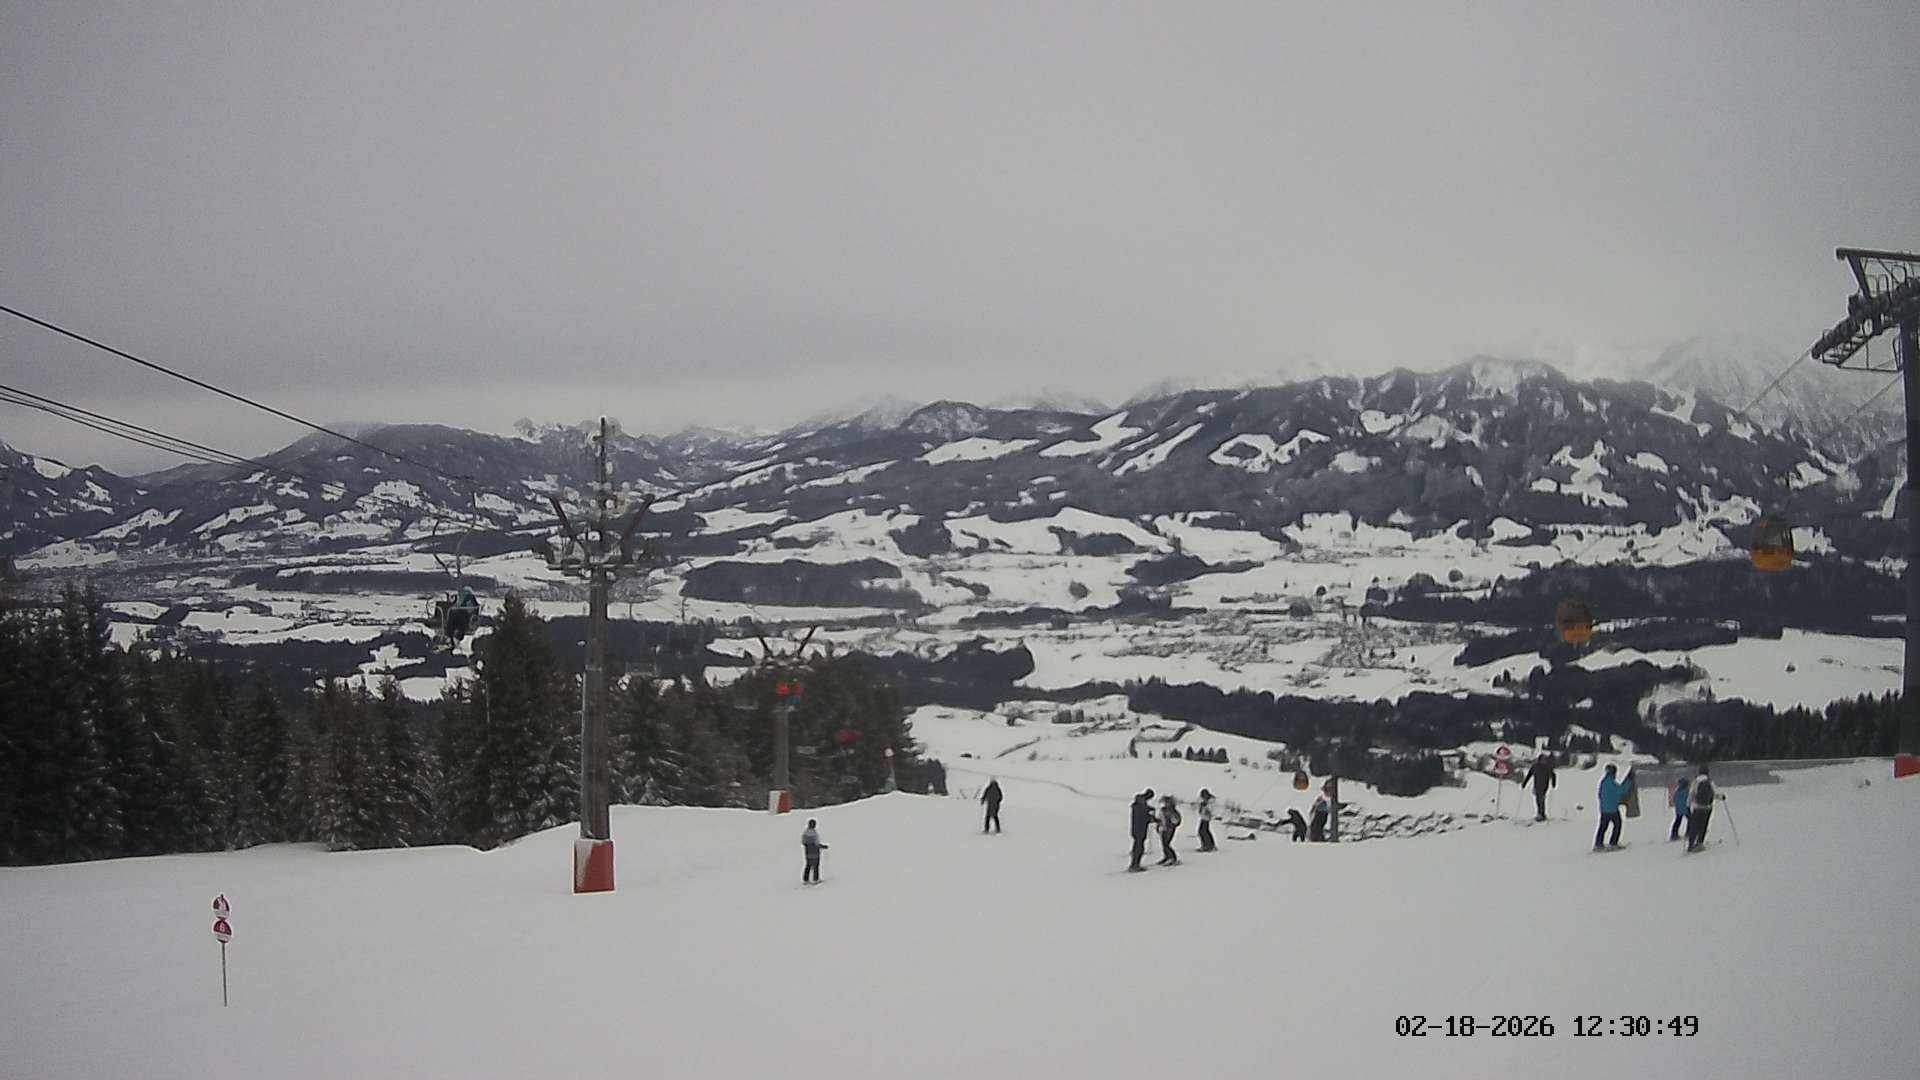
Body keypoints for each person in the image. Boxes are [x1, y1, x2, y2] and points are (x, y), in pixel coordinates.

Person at [1594, 764, 1630, 850]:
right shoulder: (1611, 783)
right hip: (1612, 810)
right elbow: (1621, 790)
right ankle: (1613, 843)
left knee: (1603, 827)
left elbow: (1600, 794)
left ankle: (1598, 844)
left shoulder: (1603, 782)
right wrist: (1629, 782)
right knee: (1617, 825)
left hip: (1604, 809)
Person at [1685, 766, 1716, 852]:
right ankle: (1700, 843)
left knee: (1694, 826)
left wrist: (1688, 806)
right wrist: (1722, 797)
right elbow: (1715, 793)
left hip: (1697, 807)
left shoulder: (1695, 781)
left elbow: (1691, 794)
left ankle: (1691, 845)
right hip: (1708, 807)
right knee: (1704, 825)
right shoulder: (1709, 781)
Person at [1521, 753, 1558, 822]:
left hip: (1544, 786)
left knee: (1541, 800)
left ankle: (1541, 814)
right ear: (1539, 760)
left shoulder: (1547, 767)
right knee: (1538, 800)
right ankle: (1540, 814)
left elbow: (1553, 775)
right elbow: (1529, 775)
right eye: (1542, 760)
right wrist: (1524, 783)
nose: (1544, 761)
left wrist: (1553, 783)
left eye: (1545, 760)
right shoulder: (1535, 767)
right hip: (1536, 786)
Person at [1128, 789, 1156, 871]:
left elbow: (1144, 810)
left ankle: (1134, 863)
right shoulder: (1141, 805)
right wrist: (1153, 819)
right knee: (1139, 848)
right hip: (1140, 829)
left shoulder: (1138, 803)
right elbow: (1144, 816)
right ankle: (1135, 865)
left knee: (1137, 845)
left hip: (1135, 828)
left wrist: (1149, 809)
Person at [1157, 795, 1183, 865]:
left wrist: (1172, 824)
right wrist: (1158, 825)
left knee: (1167, 843)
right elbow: (1160, 818)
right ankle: (1166, 856)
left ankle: (1172, 857)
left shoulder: (1173, 811)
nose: (1166, 804)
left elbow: (1177, 820)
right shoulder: (1163, 810)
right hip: (1163, 828)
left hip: (1169, 829)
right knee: (1163, 843)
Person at [801, 818, 828, 883]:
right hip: (815, 851)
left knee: (808, 865)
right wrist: (823, 846)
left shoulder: (805, 832)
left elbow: (803, 842)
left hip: (807, 851)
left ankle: (805, 879)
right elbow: (816, 843)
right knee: (816, 865)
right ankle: (815, 879)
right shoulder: (814, 833)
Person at [1669, 773, 1692, 842]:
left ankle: (1674, 834)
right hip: (1685, 808)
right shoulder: (1686, 791)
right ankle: (1689, 833)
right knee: (1691, 820)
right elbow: (1689, 798)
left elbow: (1674, 799)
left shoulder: (1677, 791)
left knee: (1678, 820)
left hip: (1678, 809)